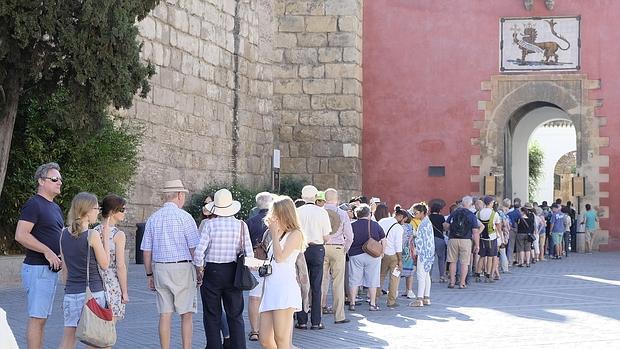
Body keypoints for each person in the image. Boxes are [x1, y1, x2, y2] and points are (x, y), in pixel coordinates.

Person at [141, 179, 200, 349]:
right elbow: (193, 248)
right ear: (180, 196)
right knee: (186, 314)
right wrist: (199, 270)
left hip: (160, 268)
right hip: (182, 267)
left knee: (164, 314)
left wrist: (149, 274)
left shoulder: (153, 218)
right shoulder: (185, 217)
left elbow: (146, 251)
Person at [193, 188, 253, 349]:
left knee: (212, 315)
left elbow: (199, 252)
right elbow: (249, 253)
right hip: (233, 272)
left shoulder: (209, 225)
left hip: (212, 272)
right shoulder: (241, 225)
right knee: (236, 315)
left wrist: (199, 269)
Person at [14, 162, 64, 349]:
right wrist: (47, 251)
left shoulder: (55, 207)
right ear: (41, 181)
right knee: (37, 318)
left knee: (42, 319)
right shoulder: (34, 204)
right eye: (54, 179)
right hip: (38, 269)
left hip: (48, 271)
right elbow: (21, 235)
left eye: (60, 179)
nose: (59, 182)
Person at [58, 192, 110, 349]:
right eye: (96, 208)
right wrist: (105, 238)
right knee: (97, 340)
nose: (98, 211)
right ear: (87, 211)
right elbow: (105, 264)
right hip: (92, 293)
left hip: (71, 293)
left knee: (68, 339)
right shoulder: (92, 235)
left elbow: (65, 271)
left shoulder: (62, 234)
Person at [259, 196, 305, 349]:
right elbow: (273, 259)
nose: (272, 217)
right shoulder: (278, 233)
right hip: (271, 287)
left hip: (285, 289)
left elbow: (280, 257)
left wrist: (273, 234)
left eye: (275, 213)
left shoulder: (295, 234)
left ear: (284, 214)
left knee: (281, 338)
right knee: (265, 339)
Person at [295, 185, 331, 330]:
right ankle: (316, 321)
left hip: (300, 249)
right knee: (316, 286)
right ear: (315, 196)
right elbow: (326, 236)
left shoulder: (297, 211)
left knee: (301, 285)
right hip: (317, 249)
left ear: (302, 196)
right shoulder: (322, 212)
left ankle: (302, 320)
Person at [94, 194, 129, 321]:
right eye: (122, 209)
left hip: (96, 283)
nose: (125, 212)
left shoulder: (94, 231)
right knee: (109, 330)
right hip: (112, 284)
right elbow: (120, 266)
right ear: (113, 212)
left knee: (95, 328)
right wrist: (124, 291)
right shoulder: (118, 235)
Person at [321, 188, 353, 324]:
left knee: (320, 282)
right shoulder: (342, 213)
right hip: (338, 247)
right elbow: (350, 236)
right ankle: (339, 315)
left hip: (321, 247)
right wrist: (345, 249)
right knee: (338, 283)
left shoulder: (320, 211)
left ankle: (319, 313)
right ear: (337, 199)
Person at [245, 192, 273, 342]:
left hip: (254, 261)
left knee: (254, 298)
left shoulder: (249, 222)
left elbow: (244, 244)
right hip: (272, 262)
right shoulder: (276, 220)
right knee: (270, 296)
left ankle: (254, 331)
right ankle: (268, 329)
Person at [348, 204, 386, 311]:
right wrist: (382, 252)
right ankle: (372, 304)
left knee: (354, 279)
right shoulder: (375, 225)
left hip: (355, 254)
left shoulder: (352, 225)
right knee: (373, 279)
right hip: (373, 255)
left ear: (357, 214)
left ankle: (352, 303)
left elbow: (347, 238)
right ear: (369, 214)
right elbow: (383, 239)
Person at [445, 196, 481, 289]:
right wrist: (477, 244)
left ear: (462, 203)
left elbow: (446, 226)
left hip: (453, 239)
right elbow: (475, 231)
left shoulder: (454, 213)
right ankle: (462, 283)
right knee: (464, 262)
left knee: (452, 261)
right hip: (466, 240)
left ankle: (452, 282)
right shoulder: (471, 215)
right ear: (470, 204)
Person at [376, 206, 405, 308]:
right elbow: (398, 246)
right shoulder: (398, 228)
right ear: (400, 217)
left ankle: (374, 298)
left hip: (381, 253)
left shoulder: (382, 221)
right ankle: (391, 301)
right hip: (393, 255)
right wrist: (400, 260)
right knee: (394, 278)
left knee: (380, 276)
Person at [410, 203, 435, 307]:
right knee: (426, 276)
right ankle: (426, 297)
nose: (414, 215)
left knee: (421, 276)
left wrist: (415, 247)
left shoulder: (423, 224)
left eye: (416, 213)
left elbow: (420, 240)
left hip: (423, 253)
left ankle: (419, 299)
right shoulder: (427, 222)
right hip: (429, 252)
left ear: (422, 213)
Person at [474, 196, 501, 283]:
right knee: (490, 257)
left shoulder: (478, 213)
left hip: (481, 236)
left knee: (482, 256)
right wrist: (500, 235)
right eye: (493, 202)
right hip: (491, 237)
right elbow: (498, 225)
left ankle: (477, 274)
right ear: (490, 203)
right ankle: (488, 275)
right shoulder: (494, 214)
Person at [429, 202, 447, 283]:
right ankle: (442, 276)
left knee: (430, 259)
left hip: (430, 239)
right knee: (441, 258)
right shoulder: (441, 217)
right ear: (439, 209)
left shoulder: (428, 217)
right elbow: (444, 227)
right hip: (439, 238)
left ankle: (429, 276)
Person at [400, 211, 416, 299]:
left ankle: (394, 291)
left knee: (397, 272)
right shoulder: (411, 227)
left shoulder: (398, 226)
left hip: (399, 251)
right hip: (409, 251)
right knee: (410, 273)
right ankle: (409, 290)